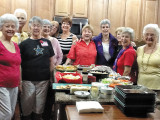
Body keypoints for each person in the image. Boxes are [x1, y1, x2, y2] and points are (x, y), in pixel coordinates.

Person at [19, 16, 54, 120]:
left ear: (41, 27)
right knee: (26, 107)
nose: (36, 28)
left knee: (39, 107)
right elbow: (18, 64)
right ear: (30, 27)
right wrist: (19, 81)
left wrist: (52, 78)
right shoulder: (23, 44)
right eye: (34, 25)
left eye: (38, 25)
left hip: (43, 80)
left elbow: (51, 61)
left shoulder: (47, 42)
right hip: (27, 80)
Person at [0, 14, 21, 120]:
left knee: (11, 112)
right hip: (1, 85)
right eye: (7, 26)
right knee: (6, 114)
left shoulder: (15, 45)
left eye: (13, 26)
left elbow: (18, 65)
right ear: (1, 27)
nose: (10, 29)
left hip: (14, 85)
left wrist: (20, 83)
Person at [137, 24, 160, 109]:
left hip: (157, 89)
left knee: (155, 114)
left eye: (152, 35)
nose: (149, 37)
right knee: (141, 111)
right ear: (143, 36)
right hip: (141, 87)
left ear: (157, 36)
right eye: (147, 34)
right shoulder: (139, 49)